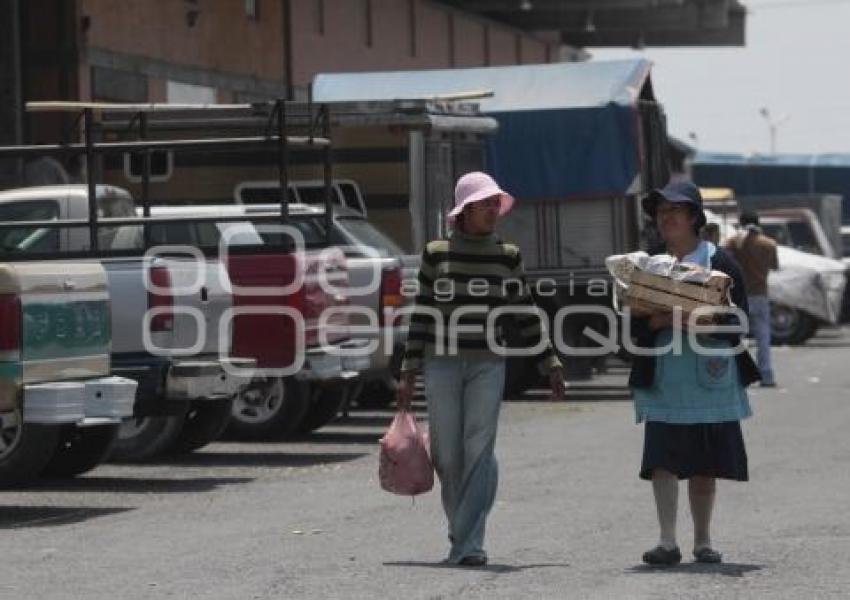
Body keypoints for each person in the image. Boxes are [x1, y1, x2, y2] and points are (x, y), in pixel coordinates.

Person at [396, 171, 565, 567]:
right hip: (442, 366)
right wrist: (408, 372)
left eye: (495, 204)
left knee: (479, 449)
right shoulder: (437, 253)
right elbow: (421, 314)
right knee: (448, 455)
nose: (493, 210)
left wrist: (550, 364)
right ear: (464, 210)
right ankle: (461, 528)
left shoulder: (507, 256)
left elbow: (526, 312)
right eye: (484, 204)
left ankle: (469, 543)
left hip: (488, 364)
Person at [629, 181, 761, 566]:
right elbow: (633, 327)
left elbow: (740, 323)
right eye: (661, 212)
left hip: (711, 375)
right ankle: (667, 542)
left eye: (675, 211)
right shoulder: (648, 264)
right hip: (665, 374)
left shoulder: (720, 262)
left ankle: (703, 541)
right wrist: (654, 320)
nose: (666, 218)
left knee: (705, 462)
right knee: (662, 460)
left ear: (694, 217)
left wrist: (698, 323)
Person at [724, 211, 779, 387]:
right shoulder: (769, 244)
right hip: (760, 294)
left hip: (739, 296)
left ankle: (738, 374)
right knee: (763, 337)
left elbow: (724, 259)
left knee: (736, 337)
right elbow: (775, 266)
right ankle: (766, 375)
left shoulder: (735, 243)